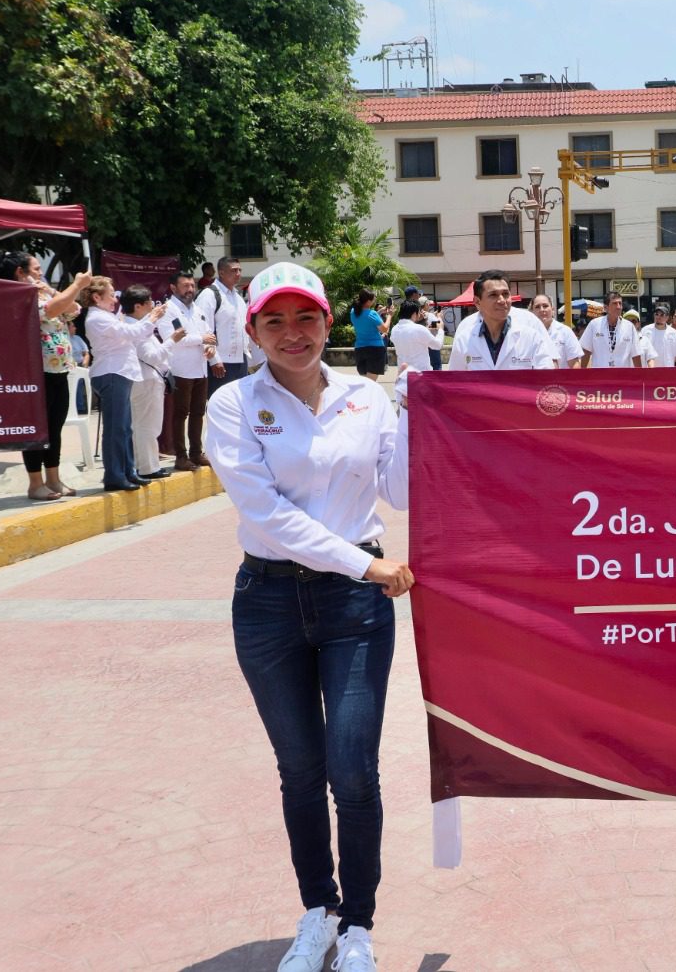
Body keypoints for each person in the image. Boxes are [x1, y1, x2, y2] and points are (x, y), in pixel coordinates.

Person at [205, 262, 411, 972]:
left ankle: (358, 924)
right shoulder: (232, 405)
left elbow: (403, 491)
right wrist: (367, 564)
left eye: (306, 318)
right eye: (275, 321)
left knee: (352, 770)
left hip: (354, 609)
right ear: (253, 330)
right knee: (300, 768)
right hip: (269, 603)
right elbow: (267, 514)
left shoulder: (366, 397)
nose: (294, 334)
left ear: (330, 321)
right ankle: (318, 912)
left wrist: (417, 414)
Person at [0, 251, 90, 500]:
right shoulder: (16, 295)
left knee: (54, 428)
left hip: (58, 370)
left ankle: (53, 479)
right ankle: (35, 483)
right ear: (20, 272)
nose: (40, 271)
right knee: (36, 429)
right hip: (34, 373)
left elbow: (71, 310)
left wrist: (49, 289)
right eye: (36, 268)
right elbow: (49, 311)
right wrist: (77, 284)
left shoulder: (41, 291)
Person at [84, 277, 166, 492]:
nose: (115, 299)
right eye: (111, 295)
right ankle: (114, 475)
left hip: (121, 373)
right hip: (111, 373)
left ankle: (128, 471)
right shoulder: (97, 318)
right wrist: (152, 317)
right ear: (96, 297)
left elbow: (133, 334)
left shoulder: (107, 316)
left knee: (125, 428)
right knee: (115, 429)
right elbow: (132, 333)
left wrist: (149, 320)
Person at [446, 270, 560, 371]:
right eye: (493, 295)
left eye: (505, 294)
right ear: (477, 302)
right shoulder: (464, 339)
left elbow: (547, 379)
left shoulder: (532, 337)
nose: (501, 300)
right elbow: (455, 384)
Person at [164, 272, 214, 472]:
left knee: (198, 412)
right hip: (180, 369)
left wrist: (212, 349)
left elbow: (210, 335)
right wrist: (202, 339)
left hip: (200, 368)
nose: (190, 289)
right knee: (180, 413)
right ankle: (180, 456)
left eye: (192, 285)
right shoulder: (169, 310)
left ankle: (196, 452)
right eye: (185, 286)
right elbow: (176, 338)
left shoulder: (198, 309)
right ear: (173, 288)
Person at [126, 286, 173, 480]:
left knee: (149, 426)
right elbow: (151, 356)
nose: (153, 307)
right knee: (147, 426)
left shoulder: (139, 325)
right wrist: (173, 340)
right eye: (149, 303)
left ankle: (149, 464)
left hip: (149, 380)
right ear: (138, 306)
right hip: (145, 381)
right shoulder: (137, 328)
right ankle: (146, 467)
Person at [199, 258, 249, 394]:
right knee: (220, 404)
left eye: (239, 270)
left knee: (240, 403)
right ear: (221, 273)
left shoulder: (238, 298)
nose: (238, 273)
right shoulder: (209, 295)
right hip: (221, 362)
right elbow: (204, 329)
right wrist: (214, 360)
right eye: (233, 270)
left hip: (241, 359)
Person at [579, 291, 642, 368]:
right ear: (606, 307)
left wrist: (640, 377)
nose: (618, 307)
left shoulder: (629, 327)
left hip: (623, 376)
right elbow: (586, 350)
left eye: (620, 303)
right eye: (614, 303)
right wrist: (583, 375)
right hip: (600, 375)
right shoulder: (594, 325)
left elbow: (636, 355)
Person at [530, 293, 583, 368]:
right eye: (537, 307)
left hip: (561, 379)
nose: (542, 310)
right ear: (532, 311)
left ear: (552, 309)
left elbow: (574, 364)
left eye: (545, 306)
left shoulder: (565, 332)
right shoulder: (527, 333)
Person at [348, 290, 391, 382]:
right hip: (375, 350)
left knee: (365, 382)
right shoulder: (372, 314)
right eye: (373, 299)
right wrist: (390, 316)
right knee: (370, 384)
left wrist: (379, 312)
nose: (374, 300)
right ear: (368, 301)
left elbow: (366, 316)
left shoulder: (353, 312)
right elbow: (385, 329)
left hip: (360, 349)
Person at [389, 300, 435, 376]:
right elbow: (437, 345)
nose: (420, 314)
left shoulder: (395, 329)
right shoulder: (420, 327)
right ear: (414, 313)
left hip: (403, 373)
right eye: (419, 312)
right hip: (421, 373)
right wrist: (440, 329)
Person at [643, 302, 676, 368]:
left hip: (668, 371)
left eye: (662, 315)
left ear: (667, 317)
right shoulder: (645, 331)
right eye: (656, 314)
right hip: (650, 372)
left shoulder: (673, 333)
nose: (658, 317)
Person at [419, 299, 445, 370]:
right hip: (432, 342)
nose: (429, 305)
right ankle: (438, 380)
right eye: (428, 304)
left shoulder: (417, 315)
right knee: (436, 365)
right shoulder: (430, 315)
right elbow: (438, 325)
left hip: (421, 344)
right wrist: (439, 317)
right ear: (426, 305)